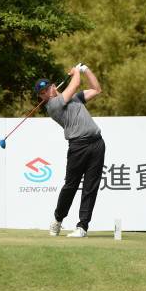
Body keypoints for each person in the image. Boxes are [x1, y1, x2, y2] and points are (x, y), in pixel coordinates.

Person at [34, 64, 105, 238]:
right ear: (41, 97)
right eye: (42, 93)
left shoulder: (74, 98)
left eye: (48, 88)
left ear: (53, 86)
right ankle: (58, 219)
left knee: (91, 187)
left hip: (97, 143)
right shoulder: (53, 105)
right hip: (78, 146)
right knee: (71, 186)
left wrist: (86, 69)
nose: (47, 92)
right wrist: (76, 73)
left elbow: (97, 89)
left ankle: (82, 227)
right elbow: (74, 84)